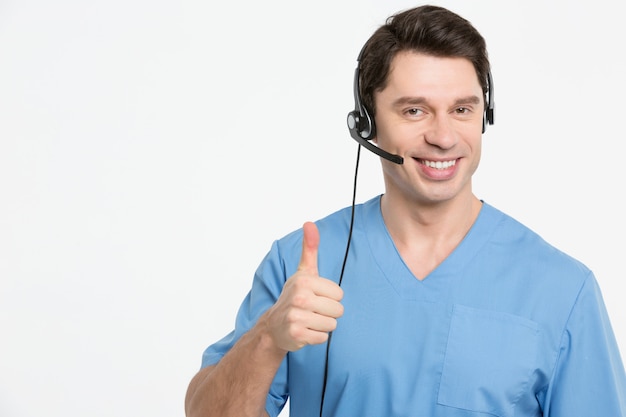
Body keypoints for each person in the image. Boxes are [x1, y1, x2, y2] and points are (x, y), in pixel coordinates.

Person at [185, 5, 626, 417]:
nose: (443, 135)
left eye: (461, 109)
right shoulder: (300, 265)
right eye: (414, 110)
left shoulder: (562, 289)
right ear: (367, 122)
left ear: (484, 115)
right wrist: (266, 338)